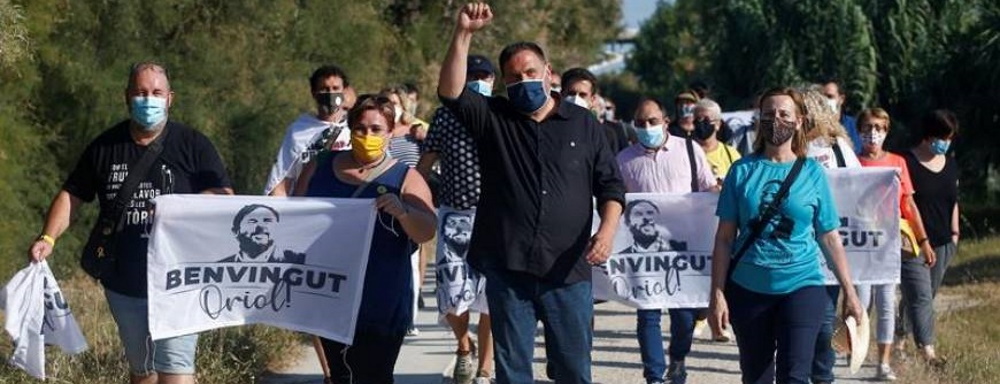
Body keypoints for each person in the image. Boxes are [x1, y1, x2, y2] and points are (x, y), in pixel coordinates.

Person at [437, 3, 626, 382]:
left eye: (530, 73)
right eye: (513, 77)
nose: (523, 81)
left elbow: (611, 186)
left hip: (568, 271)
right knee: (512, 371)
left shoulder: (583, 124)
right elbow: (451, 92)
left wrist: (606, 233)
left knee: (574, 369)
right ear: (504, 84)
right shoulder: (493, 118)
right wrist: (463, 33)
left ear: (549, 74)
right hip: (510, 269)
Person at [27, 62, 233, 384]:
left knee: (176, 370)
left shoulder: (193, 144)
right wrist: (48, 239)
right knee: (144, 372)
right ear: (126, 97)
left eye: (156, 92)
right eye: (140, 92)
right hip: (124, 282)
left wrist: (175, 211)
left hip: (180, 280)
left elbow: (223, 195)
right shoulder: (104, 147)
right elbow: (72, 195)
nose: (148, 99)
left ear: (170, 98)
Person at [708, 87, 864, 384]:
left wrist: (850, 292)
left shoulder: (813, 173)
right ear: (759, 120)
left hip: (802, 286)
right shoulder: (741, 171)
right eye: (768, 114)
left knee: (796, 376)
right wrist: (716, 294)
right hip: (748, 289)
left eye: (783, 114)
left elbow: (829, 237)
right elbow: (724, 238)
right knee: (757, 377)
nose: (776, 120)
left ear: (799, 121)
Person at [295, 94, 436, 383]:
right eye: (360, 128)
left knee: (374, 376)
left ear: (389, 132)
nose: (367, 135)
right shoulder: (320, 166)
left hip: (381, 300)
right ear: (350, 127)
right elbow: (294, 217)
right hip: (331, 294)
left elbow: (427, 229)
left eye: (376, 130)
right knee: (340, 375)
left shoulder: (405, 177)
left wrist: (404, 212)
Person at [618, 98, 718, 384]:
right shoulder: (624, 160)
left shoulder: (689, 150)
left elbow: (706, 186)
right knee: (647, 314)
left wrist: (718, 191)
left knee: (684, 316)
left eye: (652, 121)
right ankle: (654, 375)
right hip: (644, 251)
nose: (646, 127)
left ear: (665, 121)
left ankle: (677, 358)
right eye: (640, 123)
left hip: (682, 248)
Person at [417, 53, 497, 384]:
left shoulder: (502, 114)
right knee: (452, 294)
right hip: (454, 214)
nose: (478, 79)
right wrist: (411, 192)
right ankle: (464, 346)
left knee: (492, 298)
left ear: (494, 80)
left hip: (495, 216)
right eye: (472, 73)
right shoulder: (445, 114)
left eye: (484, 75)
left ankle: (485, 368)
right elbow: (427, 161)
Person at [855, 107, 938, 380]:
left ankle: (883, 363)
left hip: (889, 242)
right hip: (860, 242)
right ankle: (855, 347)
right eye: (868, 127)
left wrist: (922, 240)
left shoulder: (897, 162)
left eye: (879, 127)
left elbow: (909, 203)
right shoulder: (852, 163)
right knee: (863, 301)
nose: (873, 133)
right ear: (859, 131)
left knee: (887, 301)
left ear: (887, 131)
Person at [800, 87, 861, 384]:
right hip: (789, 253)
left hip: (826, 255)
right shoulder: (785, 149)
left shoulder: (839, 149)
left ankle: (822, 377)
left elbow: (860, 193)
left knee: (824, 325)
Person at [899, 109, 959, 366]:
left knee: (924, 295)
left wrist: (955, 233)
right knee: (921, 296)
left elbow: (953, 200)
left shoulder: (951, 163)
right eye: (942, 136)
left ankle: (898, 336)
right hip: (912, 242)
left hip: (944, 240)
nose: (945, 142)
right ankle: (928, 353)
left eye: (949, 138)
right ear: (928, 135)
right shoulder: (907, 162)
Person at [265, 65, 357, 196]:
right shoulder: (298, 131)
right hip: (307, 203)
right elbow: (282, 179)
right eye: (324, 89)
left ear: (344, 91)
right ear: (314, 93)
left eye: (335, 88)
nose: (330, 94)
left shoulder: (355, 129)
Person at [561, 67, 629, 153]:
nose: (576, 99)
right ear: (562, 95)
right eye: (571, 93)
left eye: (582, 95)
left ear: (592, 100)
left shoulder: (605, 135)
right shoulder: (549, 130)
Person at [217, 204, 306, 264]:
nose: (261, 226)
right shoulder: (220, 266)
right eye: (252, 221)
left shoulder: (297, 261)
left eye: (267, 221)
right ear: (236, 232)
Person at [694, 98, 742, 185]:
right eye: (697, 119)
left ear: (717, 124)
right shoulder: (685, 153)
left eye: (706, 120)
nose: (700, 123)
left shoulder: (731, 154)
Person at [820, 79, 863, 154]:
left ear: (841, 99)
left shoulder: (855, 126)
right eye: (822, 97)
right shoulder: (815, 128)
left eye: (830, 96)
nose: (825, 100)